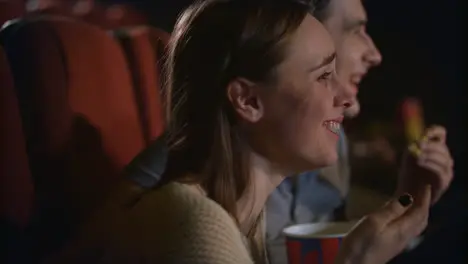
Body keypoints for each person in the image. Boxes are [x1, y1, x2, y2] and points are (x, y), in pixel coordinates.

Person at [47, 1, 432, 263]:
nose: (345, 100)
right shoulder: (194, 223)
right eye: (322, 76)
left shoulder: (247, 219)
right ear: (246, 101)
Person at [265, 0, 454, 263]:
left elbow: (337, 247)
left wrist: (412, 201)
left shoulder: (334, 138)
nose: (375, 55)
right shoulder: (213, 207)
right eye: (356, 31)